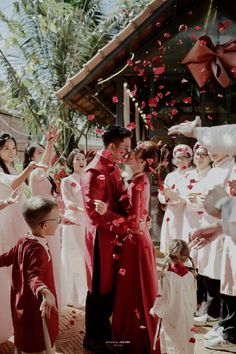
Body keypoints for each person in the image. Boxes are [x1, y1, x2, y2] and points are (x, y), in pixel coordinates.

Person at [80, 125, 141, 354]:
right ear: (112, 146)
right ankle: (93, 338)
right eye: (124, 148)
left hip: (113, 236)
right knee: (98, 287)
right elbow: (94, 214)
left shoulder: (113, 168)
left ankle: (103, 335)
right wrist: (125, 224)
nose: (127, 152)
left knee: (109, 287)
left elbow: (121, 198)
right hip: (100, 238)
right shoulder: (93, 172)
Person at [111, 141, 159, 354]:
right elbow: (142, 214)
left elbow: (133, 221)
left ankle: (134, 335)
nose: (128, 155)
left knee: (133, 287)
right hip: (139, 238)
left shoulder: (137, 184)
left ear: (141, 162)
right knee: (134, 287)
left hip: (135, 241)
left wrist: (108, 216)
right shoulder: (140, 181)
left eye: (133, 154)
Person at [0, 133, 46, 343]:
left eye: (12, 148)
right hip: (7, 222)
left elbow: (24, 188)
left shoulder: (13, 168)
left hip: (19, 220)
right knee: (11, 270)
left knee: (20, 269)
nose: (11, 152)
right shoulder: (2, 172)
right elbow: (13, 184)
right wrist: (30, 167)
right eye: (6, 148)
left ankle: (21, 316)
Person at [0, 196, 59, 354]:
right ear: (46, 225)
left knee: (24, 334)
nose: (58, 223)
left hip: (21, 300)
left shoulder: (24, 239)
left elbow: (6, 258)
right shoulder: (38, 250)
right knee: (37, 337)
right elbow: (34, 276)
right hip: (34, 305)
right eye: (57, 219)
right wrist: (43, 291)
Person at [25, 127, 64, 310]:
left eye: (44, 152)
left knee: (55, 258)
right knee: (47, 261)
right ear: (32, 158)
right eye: (39, 153)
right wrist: (50, 143)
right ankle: (45, 299)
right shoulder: (35, 174)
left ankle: (55, 298)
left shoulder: (45, 175)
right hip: (43, 224)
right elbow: (46, 165)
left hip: (52, 221)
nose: (43, 156)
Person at [150, 239, 197, 354]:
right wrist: (192, 311)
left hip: (173, 315)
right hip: (187, 316)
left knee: (173, 341)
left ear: (169, 254)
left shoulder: (168, 276)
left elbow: (164, 297)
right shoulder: (190, 275)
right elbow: (192, 297)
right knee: (185, 340)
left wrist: (155, 310)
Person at [61, 148, 88, 308]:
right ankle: (75, 296)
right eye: (77, 159)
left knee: (86, 258)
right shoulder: (67, 181)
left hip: (88, 224)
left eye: (82, 158)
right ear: (71, 162)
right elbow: (68, 203)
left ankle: (87, 293)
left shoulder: (90, 179)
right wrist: (84, 210)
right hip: (73, 223)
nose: (80, 161)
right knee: (74, 258)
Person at [158, 144, 192, 254]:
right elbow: (161, 194)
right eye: (177, 157)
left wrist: (180, 198)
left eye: (184, 157)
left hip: (186, 212)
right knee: (172, 238)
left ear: (190, 158)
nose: (180, 160)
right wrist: (166, 198)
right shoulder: (170, 176)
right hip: (172, 212)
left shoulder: (193, 174)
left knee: (184, 239)